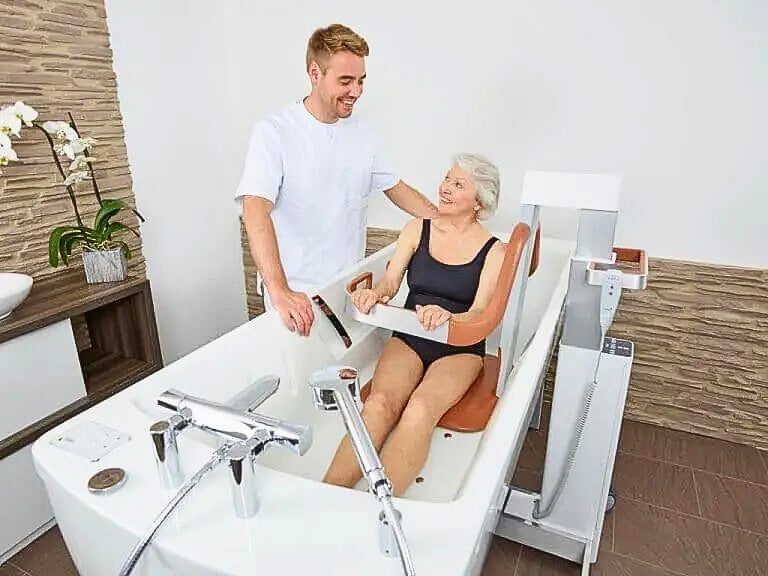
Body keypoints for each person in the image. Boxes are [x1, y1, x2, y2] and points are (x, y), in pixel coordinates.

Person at [235, 23, 437, 336]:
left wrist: (450, 223)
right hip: (296, 296)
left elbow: (396, 188)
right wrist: (280, 291)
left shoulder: (364, 133)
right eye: (345, 81)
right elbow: (254, 210)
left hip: (347, 289)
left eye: (361, 81)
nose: (355, 91)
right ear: (315, 73)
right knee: (300, 383)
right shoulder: (274, 132)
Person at [323, 153, 505, 496]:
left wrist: (451, 316)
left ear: (479, 202)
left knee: (420, 409)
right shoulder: (416, 228)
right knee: (379, 403)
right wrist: (374, 295)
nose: (444, 188)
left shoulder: (494, 251)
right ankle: (328, 494)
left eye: (457, 184)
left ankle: (380, 511)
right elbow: (390, 283)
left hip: (460, 349)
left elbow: (479, 312)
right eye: (446, 179)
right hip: (410, 337)